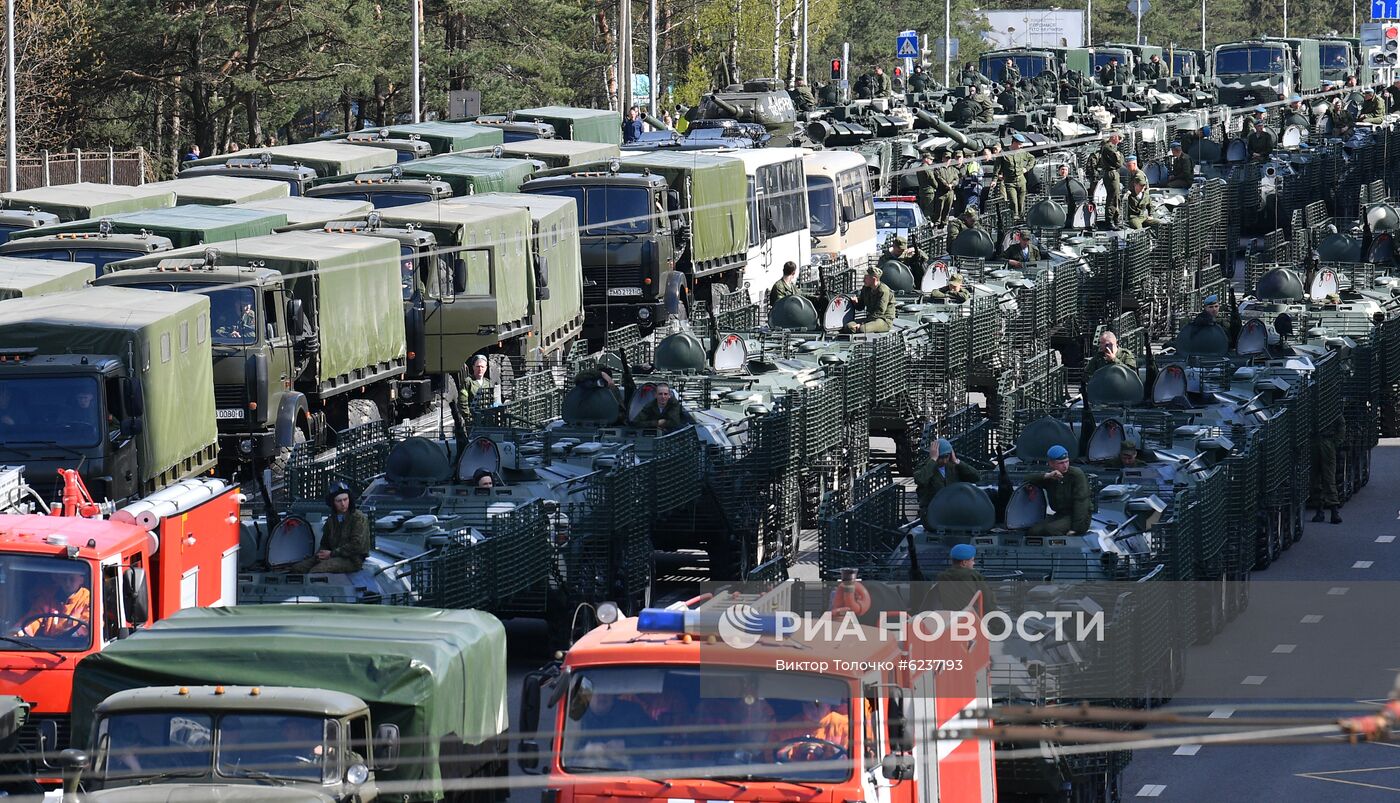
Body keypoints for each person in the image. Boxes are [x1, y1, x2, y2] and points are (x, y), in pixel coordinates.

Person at [291, 483, 371, 574]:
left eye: (345, 499)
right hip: (333, 555)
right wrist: (320, 555)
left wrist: (332, 554)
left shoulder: (358, 518)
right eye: (339, 501)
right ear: (333, 502)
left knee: (317, 571)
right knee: (298, 568)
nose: (343, 504)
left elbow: (356, 545)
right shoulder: (332, 520)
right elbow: (325, 543)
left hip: (351, 559)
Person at [1026, 445, 1092, 537]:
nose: (1065, 466)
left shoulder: (1076, 475)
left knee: (1050, 530)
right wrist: (1047, 476)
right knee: (1034, 531)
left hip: (1078, 517)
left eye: (1067, 462)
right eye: (1061, 463)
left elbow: (1081, 503)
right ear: (1051, 464)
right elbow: (1027, 479)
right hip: (1061, 514)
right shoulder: (1052, 476)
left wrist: (1075, 529)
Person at [914, 438, 981, 514]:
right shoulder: (925, 467)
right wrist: (933, 460)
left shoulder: (954, 466)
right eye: (941, 457)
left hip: (953, 509)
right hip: (932, 511)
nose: (944, 461)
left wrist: (957, 462)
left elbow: (976, 477)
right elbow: (921, 480)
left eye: (947, 456)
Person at [17, 571, 90, 638]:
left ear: (81, 580)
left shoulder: (89, 599)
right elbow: (34, 618)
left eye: (72, 579)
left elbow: (88, 626)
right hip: (48, 646)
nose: (67, 583)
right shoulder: (47, 596)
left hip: (76, 647)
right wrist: (21, 631)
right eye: (64, 579)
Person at [934, 543, 997, 611]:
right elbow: (988, 601)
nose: (974, 563)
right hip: (972, 618)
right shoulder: (974, 575)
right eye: (972, 560)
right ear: (964, 563)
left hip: (951, 618)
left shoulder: (942, 577)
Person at [1310, 414, 1345, 524]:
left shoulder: (1330, 404)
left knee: (1329, 478)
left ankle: (1333, 510)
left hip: (1326, 442)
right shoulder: (1311, 403)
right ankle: (1320, 510)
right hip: (1314, 442)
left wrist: (1336, 441)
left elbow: (1341, 424)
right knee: (1314, 480)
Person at [844, 266, 895, 334]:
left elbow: (879, 312)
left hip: (883, 320)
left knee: (862, 329)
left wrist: (862, 323)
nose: (863, 280)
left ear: (874, 279)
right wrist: (856, 303)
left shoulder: (883, 291)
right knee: (849, 326)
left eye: (866, 278)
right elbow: (861, 306)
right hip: (871, 318)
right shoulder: (866, 289)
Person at [998, 137, 1035, 218]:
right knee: (1013, 202)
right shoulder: (1004, 153)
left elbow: (1032, 158)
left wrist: (1026, 168)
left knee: (1021, 202)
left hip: (1021, 180)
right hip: (1010, 182)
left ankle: (1021, 218)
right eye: (1020, 144)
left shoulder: (1021, 152)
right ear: (1014, 143)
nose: (1021, 146)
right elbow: (997, 166)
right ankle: (1014, 218)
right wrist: (995, 178)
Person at [1095, 133, 1125, 228]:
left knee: (1116, 197)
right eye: (1119, 138)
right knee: (1112, 197)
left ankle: (1115, 219)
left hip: (1113, 172)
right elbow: (1119, 162)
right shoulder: (1108, 147)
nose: (1120, 141)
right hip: (1111, 173)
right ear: (1114, 137)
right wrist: (1120, 156)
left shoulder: (1111, 147)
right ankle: (1110, 220)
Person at [915, 149, 941, 223]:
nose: (931, 161)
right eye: (930, 159)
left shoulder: (919, 167)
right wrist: (937, 186)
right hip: (929, 192)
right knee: (929, 210)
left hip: (922, 191)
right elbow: (931, 179)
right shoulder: (927, 168)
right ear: (926, 159)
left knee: (922, 209)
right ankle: (927, 224)